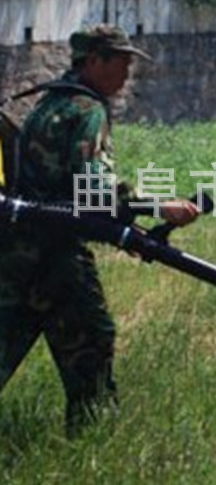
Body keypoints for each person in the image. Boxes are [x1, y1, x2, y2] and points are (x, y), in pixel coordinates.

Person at [0, 24, 199, 436]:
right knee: (91, 341)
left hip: (15, 253)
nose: (127, 74)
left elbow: (61, 187)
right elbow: (93, 190)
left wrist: (123, 230)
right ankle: (91, 439)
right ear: (94, 61)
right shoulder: (87, 111)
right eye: (121, 63)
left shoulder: (46, 105)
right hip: (55, 257)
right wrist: (159, 206)